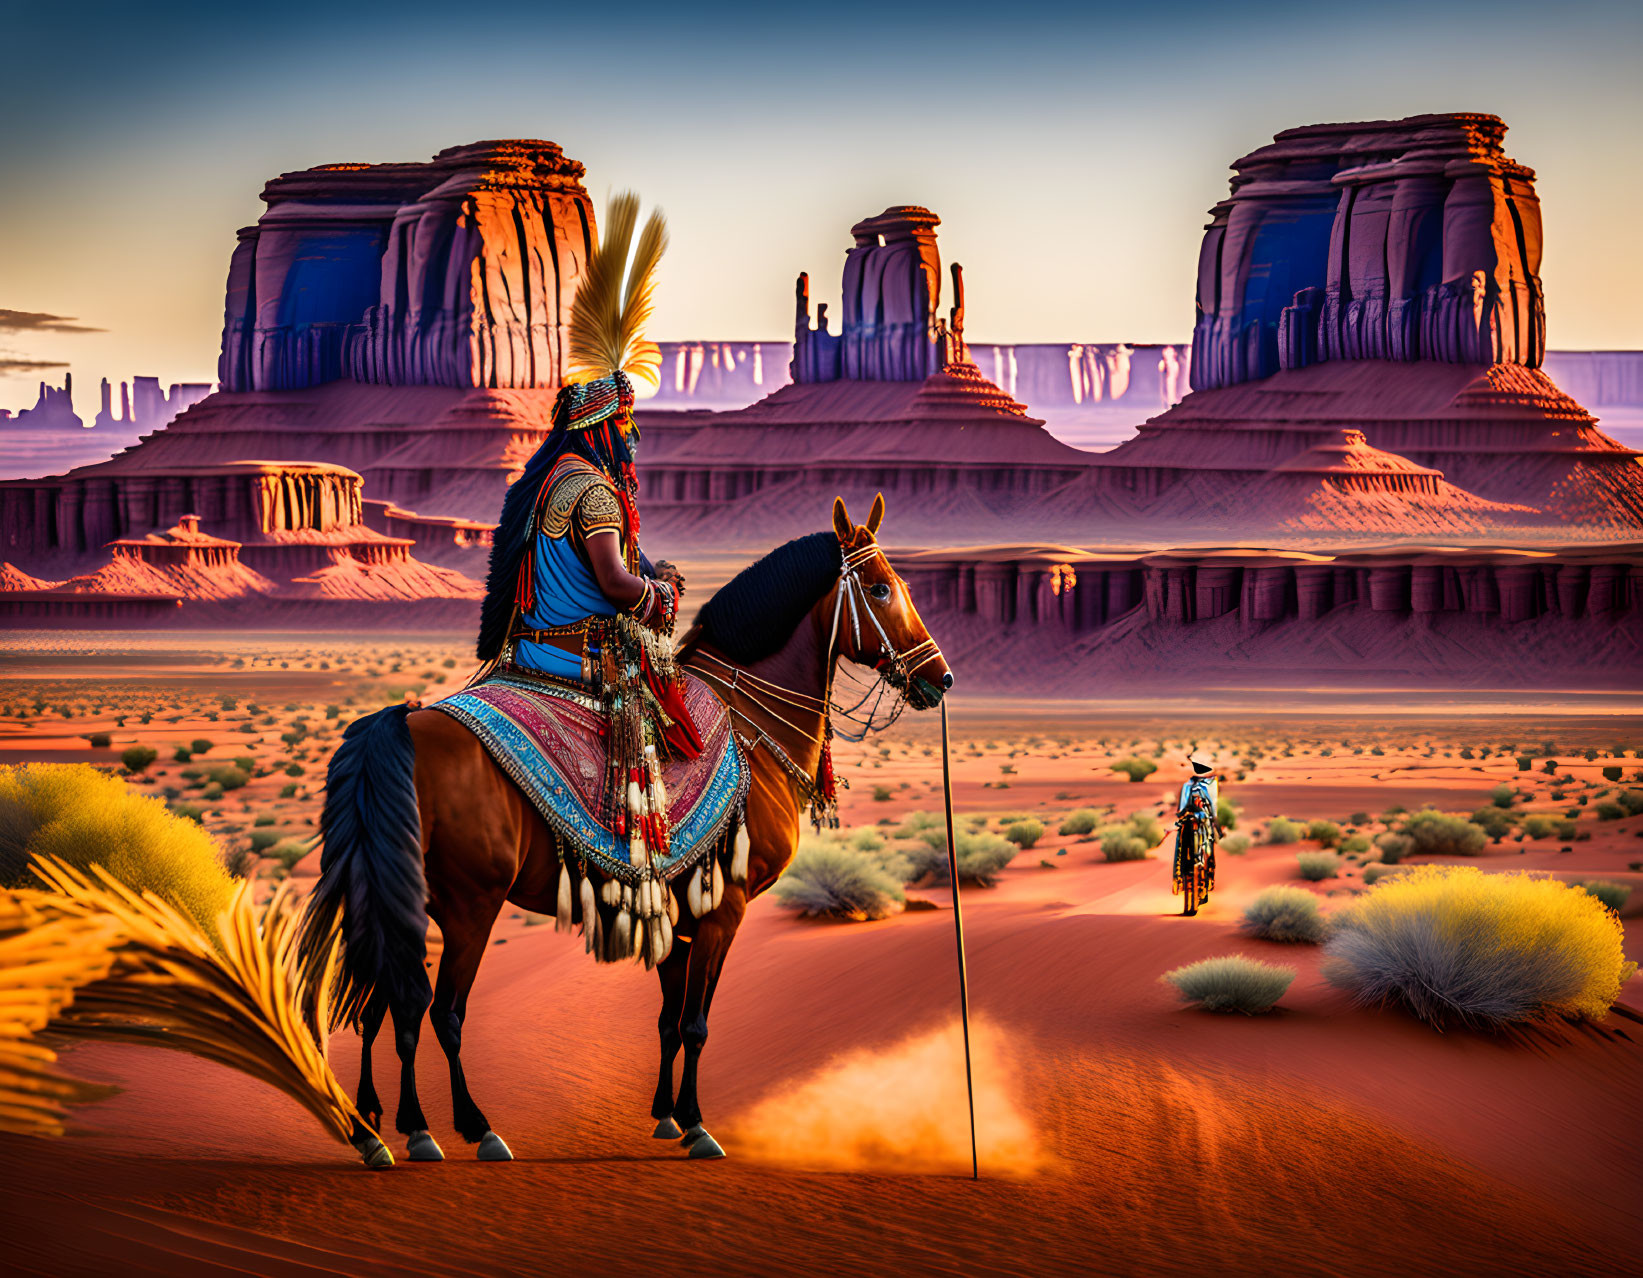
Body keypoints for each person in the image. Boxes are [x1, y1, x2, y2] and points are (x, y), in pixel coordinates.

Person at [1172, 754, 1219, 916]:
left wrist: (1182, 816)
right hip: (1201, 822)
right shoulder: (1211, 784)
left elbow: (1181, 809)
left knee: (1182, 847)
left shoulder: (1188, 785)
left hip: (1192, 820)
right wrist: (1216, 825)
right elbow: (1213, 809)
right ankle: (1204, 877)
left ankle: (1184, 876)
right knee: (1208, 847)